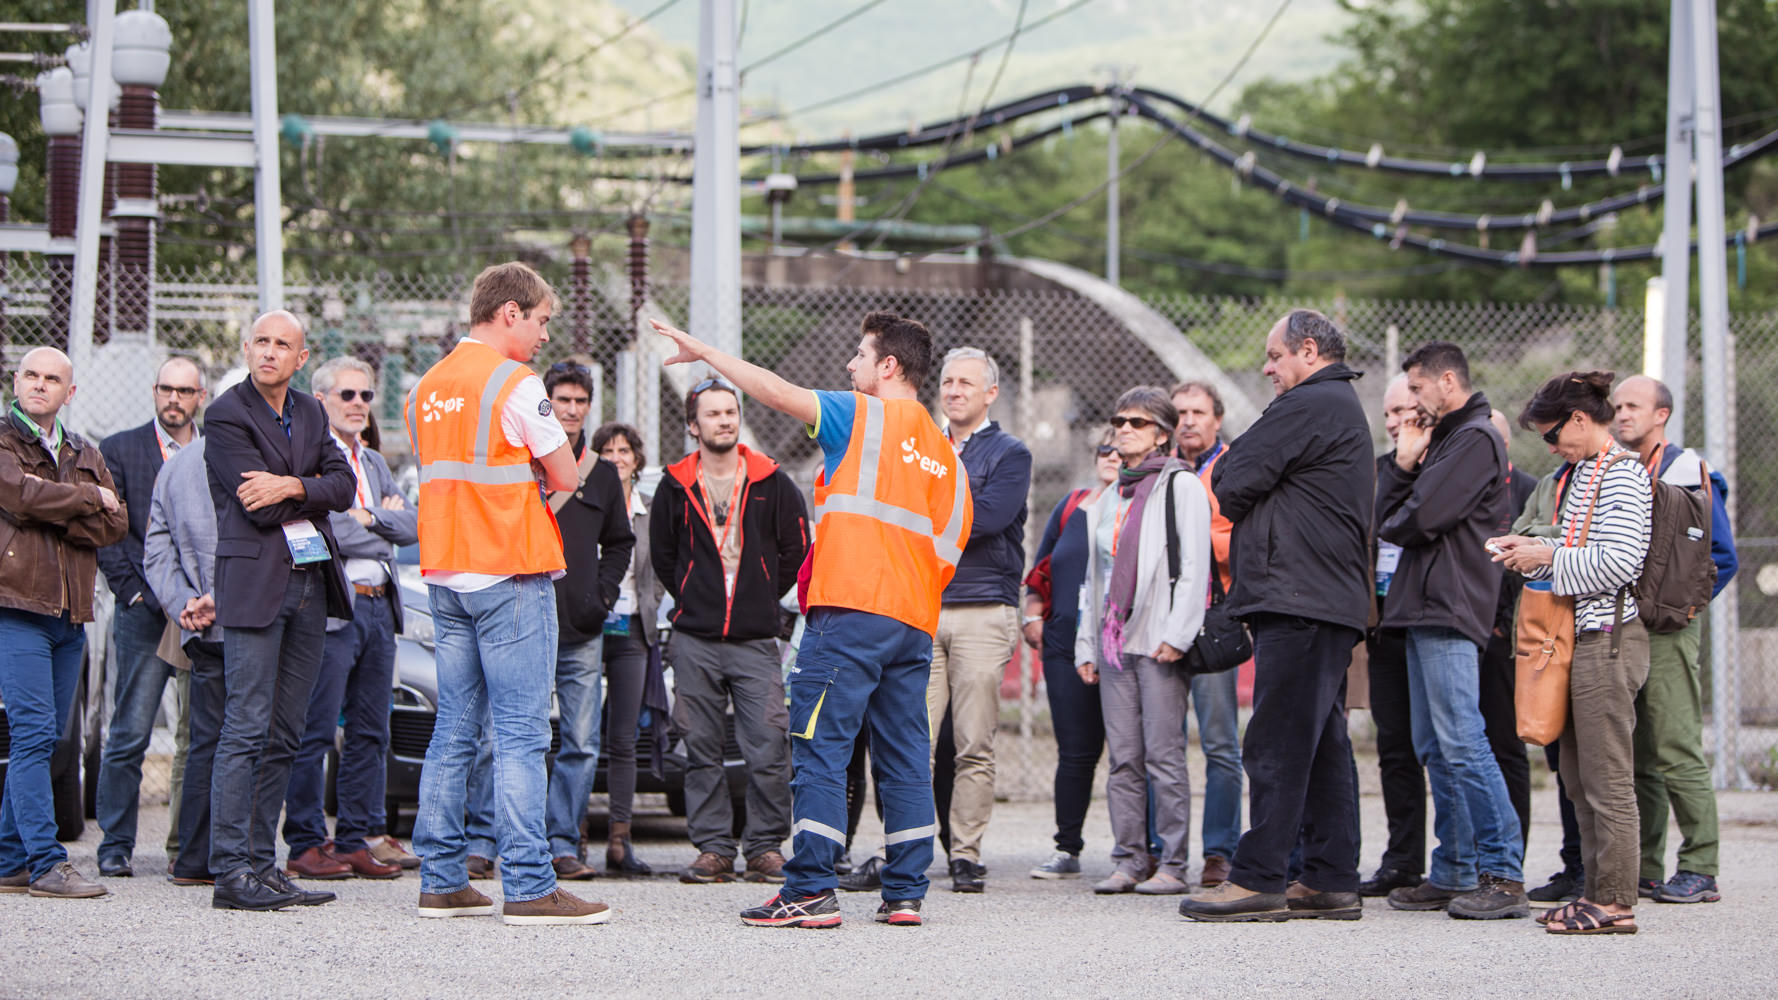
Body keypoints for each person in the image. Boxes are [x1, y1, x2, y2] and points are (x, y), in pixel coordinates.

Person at [651, 310, 971, 929]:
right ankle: (905, 891)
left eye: (859, 356)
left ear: (888, 366)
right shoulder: (947, 455)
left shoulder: (864, 415)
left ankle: (811, 889)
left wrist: (706, 351)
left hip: (849, 612)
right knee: (905, 755)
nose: (849, 367)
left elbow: (775, 390)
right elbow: (950, 548)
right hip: (911, 622)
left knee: (820, 748)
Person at [406, 261, 610, 925]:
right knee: (522, 735)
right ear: (511, 314)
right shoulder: (514, 383)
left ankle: (440, 877)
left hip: (447, 574)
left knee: (454, 728)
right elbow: (566, 472)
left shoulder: (425, 387)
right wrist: (533, 500)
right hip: (510, 573)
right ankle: (527, 884)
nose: (546, 334)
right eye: (543, 319)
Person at [1180, 309, 1371, 923]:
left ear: (1307, 351)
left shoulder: (1313, 403)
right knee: (1319, 745)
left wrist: (1251, 478)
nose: (1267, 368)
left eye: (1273, 356)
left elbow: (1231, 476)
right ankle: (1329, 878)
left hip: (1302, 598)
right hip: (1318, 599)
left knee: (1277, 742)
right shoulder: (1333, 405)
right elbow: (1241, 476)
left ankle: (1260, 878)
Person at [203, 311, 358, 911]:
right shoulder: (225, 414)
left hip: (310, 585)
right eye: (261, 342)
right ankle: (229, 872)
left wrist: (293, 485)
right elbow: (255, 504)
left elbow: (342, 488)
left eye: (282, 345)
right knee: (245, 726)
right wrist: (307, 485)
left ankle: (263, 866)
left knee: (286, 732)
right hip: (255, 585)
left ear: (301, 356)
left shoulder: (314, 411)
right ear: (247, 348)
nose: (269, 352)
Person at [1489, 370, 1652, 936]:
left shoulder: (1625, 476)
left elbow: (1620, 562)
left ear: (1581, 419)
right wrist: (1534, 544)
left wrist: (1546, 558)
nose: (1550, 446)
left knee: (1607, 778)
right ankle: (1595, 892)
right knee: (1579, 777)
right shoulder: (1585, 473)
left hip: (1608, 639)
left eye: (1553, 434)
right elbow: (1579, 540)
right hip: (1579, 636)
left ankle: (1614, 901)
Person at [1375, 342, 1527, 920]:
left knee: (1464, 741)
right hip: (1420, 606)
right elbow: (1388, 519)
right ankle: (1454, 869)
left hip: (1448, 605)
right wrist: (1404, 467)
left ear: (1445, 381)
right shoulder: (1444, 441)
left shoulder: (1475, 438)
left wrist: (1407, 484)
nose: (1408, 402)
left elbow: (1419, 520)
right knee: (1434, 745)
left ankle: (1503, 875)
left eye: (1414, 389)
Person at [654, 378, 807, 885]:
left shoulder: (772, 482)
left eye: (730, 411)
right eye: (713, 414)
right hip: (694, 639)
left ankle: (765, 846)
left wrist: (760, 597)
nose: (724, 420)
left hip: (754, 640)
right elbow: (663, 558)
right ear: (692, 426)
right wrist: (694, 595)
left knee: (767, 746)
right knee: (700, 749)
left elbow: (795, 551)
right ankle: (714, 848)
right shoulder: (674, 486)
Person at [280, 357, 419, 881]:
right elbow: (326, 530)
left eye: (365, 396)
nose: (359, 404)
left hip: (381, 607)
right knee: (315, 731)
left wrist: (372, 517)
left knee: (370, 730)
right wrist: (375, 521)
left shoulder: (376, 462)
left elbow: (414, 524)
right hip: (335, 609)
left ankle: (357, 837)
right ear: (321, 401)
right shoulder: (308, 457)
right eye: (348, 396)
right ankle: (307, 842)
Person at [0, 347, 128, 898]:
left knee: (50, 739)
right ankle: (48, 863)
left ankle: (8, 860)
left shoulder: (83, 450)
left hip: (70, 615)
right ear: (17, 380)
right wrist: (82, 498)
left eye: (52, 379)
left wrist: (65, 518)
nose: (39, 385)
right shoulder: (4, 441)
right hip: (18, 609)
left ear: (68, 393)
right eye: (31, 375)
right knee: (31, 734)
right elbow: (20, 498)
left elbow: (116, 523)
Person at [1075, 387, 1212, 895]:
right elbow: (1094, 577)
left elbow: (1194, 566)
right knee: (1124, 757)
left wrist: (1178, 635)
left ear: (1162, 433)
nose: (1124, 429)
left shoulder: (1182, 487)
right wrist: (1085, 645)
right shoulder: (1111, 494)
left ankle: (1173, 863)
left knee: (1163, 755)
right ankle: (1130, 859)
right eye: (1119, 420)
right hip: (1113, 643)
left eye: (1137, 422)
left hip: (1158, 640)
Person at [1611, 374, 1738, 904]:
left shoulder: (1689, 469)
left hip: (1669, 629)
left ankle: (1702, 866)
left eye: (1633, 406)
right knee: (1639, 751)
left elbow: (1723, 556)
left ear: (1661, 414)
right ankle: (1646, 866)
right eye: (1615, 406)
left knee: (1675, 744)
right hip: (1624, 625)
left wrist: (1684, 608)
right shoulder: (1618, 470)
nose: (1621, 414)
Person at [918, 347, 1031, 893]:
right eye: (947, 380)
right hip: (922, 607)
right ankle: (908, 849)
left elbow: (985, 520)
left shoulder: (1011, 454)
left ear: (990, 393)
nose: (954, 390)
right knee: (913, 739)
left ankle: (964, 853)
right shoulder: (918, 443)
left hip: (983, 609)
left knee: (973, 744)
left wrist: (923, 508)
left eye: (966, 382)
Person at [94, 356, 206, 878]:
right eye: (166, 388)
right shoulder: (119, 450)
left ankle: (185, 847)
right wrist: (140, 596)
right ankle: (114, 844)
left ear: (199, 396)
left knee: (196, 734)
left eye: (184, 391)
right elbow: (108, 534)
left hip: (201, 614)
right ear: (153, 390)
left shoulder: (217, 452)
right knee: (130, 731)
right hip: (145, 611)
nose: (174, 400)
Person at [538, 362, 634, 881]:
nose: (571, 410)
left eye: (580, 402)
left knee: (580, 742)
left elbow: (620, 541)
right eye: (562, 400)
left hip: (582, 627)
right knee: (517, 740)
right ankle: (501, 840)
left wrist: (601, 595)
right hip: (527, 621)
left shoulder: (600, 472)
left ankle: (562, 844)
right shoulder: (527, 458)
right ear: (545, 401)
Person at [1023, 431, 1120, 879]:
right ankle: (1067, 847)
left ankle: (1139, 850)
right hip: (1063, 645)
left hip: (1119, 647)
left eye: (1121, 448)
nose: (1112, 455)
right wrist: (1034, 614)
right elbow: (1041, 568)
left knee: (1129, 752)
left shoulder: (1138, 509)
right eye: (1105, 448)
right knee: (1076, 751)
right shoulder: (1071, 506)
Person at [1168, 379, 1244, 888]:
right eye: (1179, 413)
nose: (1188, 420)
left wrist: (1193, 541)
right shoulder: (1159, 470)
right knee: (1162, 745)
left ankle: (1219, 851)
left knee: (1220, 743)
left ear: (1217, 419)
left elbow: (1240, 536)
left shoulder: (1234, 468)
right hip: (1158, 620)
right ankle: (1160, 849)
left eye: (1198, 411)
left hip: (1213, 619)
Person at [143, 435, 224, 886]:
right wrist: (214, 602)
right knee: (245, 741)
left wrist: (184, 603)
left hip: (197, 624)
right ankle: (231, 857)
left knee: (202, 740)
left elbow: (157, 550)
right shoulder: (263, 458)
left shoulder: (176, 465)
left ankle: (193, 858)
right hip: (245, 623)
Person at [1358, 376, 1426, 897]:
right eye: (1388, 413)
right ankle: (1403, 859)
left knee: (1448, 746)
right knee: (1395, 748)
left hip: (1435, 624)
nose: (1394, 421)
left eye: (1405, 409)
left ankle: (1467, 861)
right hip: (1385, 630)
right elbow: (1373, 529)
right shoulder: (1378, 473)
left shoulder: (1450, 466)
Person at [592, 421, 669, 875]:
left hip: (633, 632)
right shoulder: (586, 503)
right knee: (578, 737)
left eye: (624, 450)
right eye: (607, 450)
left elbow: (659, 568)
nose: (617, 457)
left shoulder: (648, 511)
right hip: (586, 630)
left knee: (623, 739)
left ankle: (619, 840)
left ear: (637, 459)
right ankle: (569, 838)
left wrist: (650, 603)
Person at [1480, 408, 1536, 850]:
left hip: (1506, 642)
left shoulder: (1529, 490)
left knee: (1506, 747)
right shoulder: (1463, 486)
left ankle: (1511, 852)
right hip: (1461, 631)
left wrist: (1504, 629)